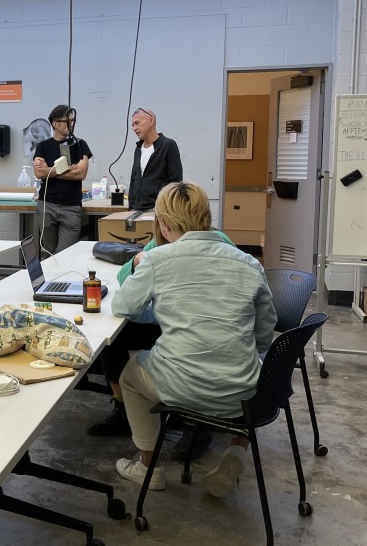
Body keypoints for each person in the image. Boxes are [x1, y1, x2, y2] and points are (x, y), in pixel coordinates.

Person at [111, 181, 276, 496]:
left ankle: (148, 467)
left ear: (163, 224)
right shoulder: (249, 263)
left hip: (179, 387)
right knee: (254, 363)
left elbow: (123, 307)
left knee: (130, 376)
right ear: (207, 216)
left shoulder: (158, 259)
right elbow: (265, 332)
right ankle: (236, 451)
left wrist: (158, 306)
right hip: (241, 394)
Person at [87, 221, 237, 463]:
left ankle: (196, 425)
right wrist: (136, 262)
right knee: (114, 334)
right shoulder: (163, 240)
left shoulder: (220, 244)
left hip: (205, 332)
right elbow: (123, 278)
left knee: (188, 351)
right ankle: (123, 409)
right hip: (174, 325)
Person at [33, 104, 92, 255]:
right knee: (47, 253)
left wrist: (50, 170)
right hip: (47, 205)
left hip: (71, 208)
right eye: (68, 121)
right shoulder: (43, 146)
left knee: (65, 255)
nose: (71, 124)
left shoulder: (80, 144)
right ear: (55, 123)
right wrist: (69, 168)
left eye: (73, 121)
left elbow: (81, 174)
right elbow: (39, 173)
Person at [127, 108, 182, 211]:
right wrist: (131, 208)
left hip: (158, 210)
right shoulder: (138, 149)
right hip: (136, 209)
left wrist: (166, 210)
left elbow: (175, 182)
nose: (134, 128)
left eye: (137, 123)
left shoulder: (168, 145)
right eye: (133, 125)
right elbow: (133, 180)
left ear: (151, 121)